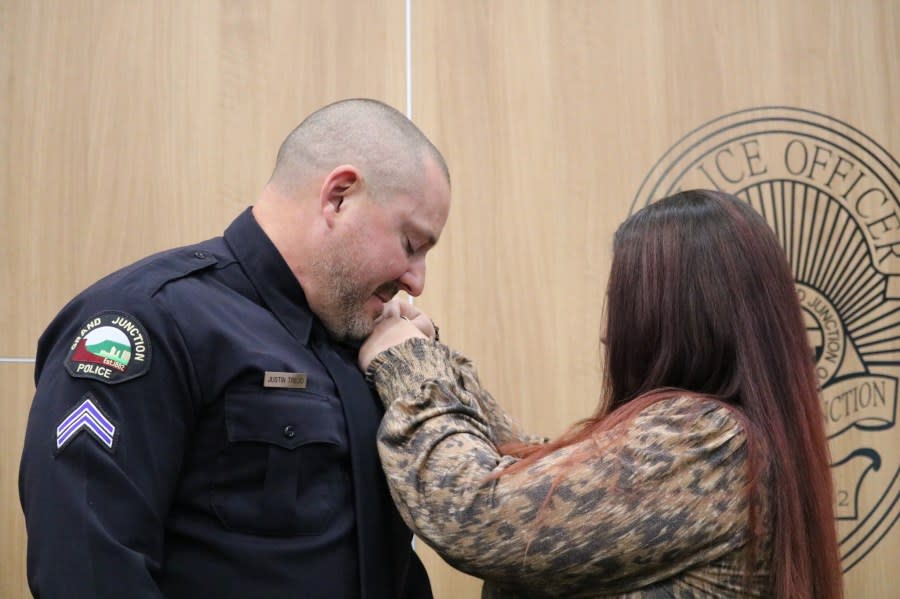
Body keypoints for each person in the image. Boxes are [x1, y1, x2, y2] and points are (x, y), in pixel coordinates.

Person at [19, 98, 451, 598]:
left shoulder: (369, 346)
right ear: (338, 197)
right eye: (411, 244)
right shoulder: (149, 319)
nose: (416, 281)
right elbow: (88, 568)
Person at [358, 190, 843, 598]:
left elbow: (481, 514)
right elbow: (539, 478)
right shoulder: (725, 440)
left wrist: (410, 367)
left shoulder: (710, 441)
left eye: (624, 307)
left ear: (677, 318)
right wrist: (433, 360)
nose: (609, 334)